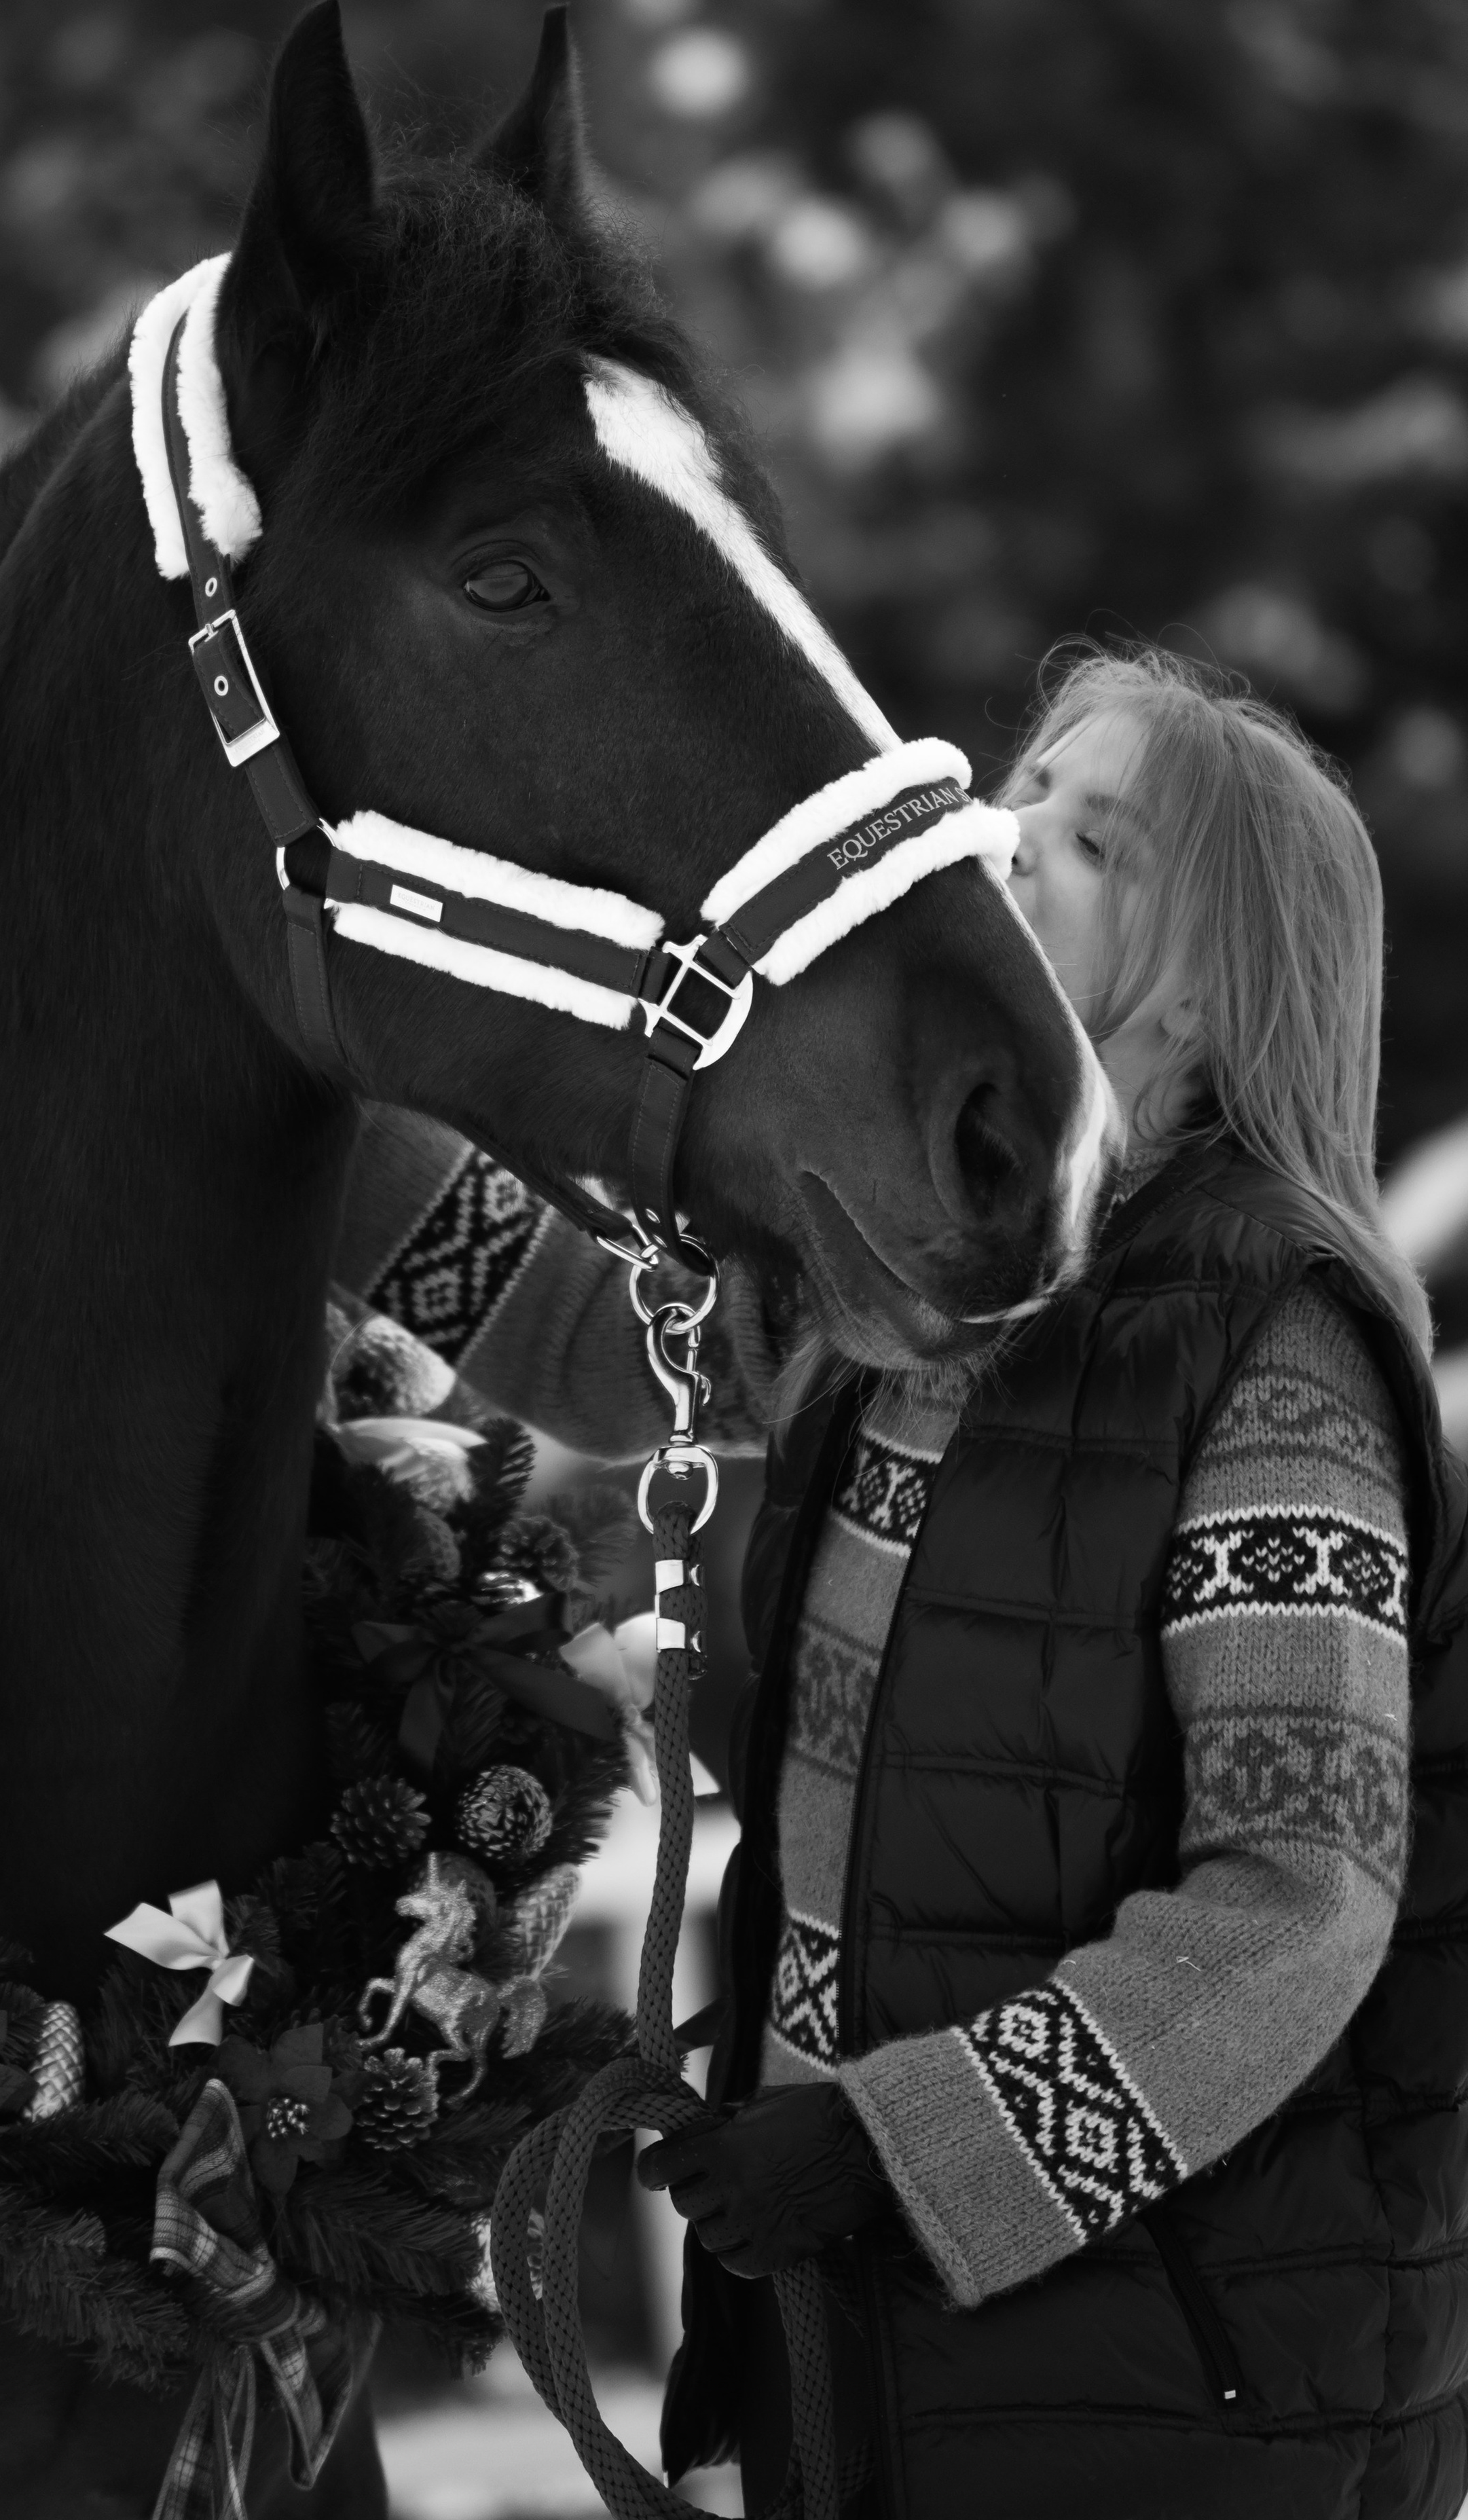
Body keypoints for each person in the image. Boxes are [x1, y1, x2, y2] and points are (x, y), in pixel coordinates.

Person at [331, 643, 1468, 2519]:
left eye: (1094, 843)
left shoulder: (1272, 1343)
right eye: (1026, 795)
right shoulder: (922, 1260)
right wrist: (305, 1099)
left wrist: (893, 2146)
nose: (1011, 842)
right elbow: (604, 1337)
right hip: (860, 2332)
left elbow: (1296, 1903)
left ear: (1210, 985)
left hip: (1170, 2394)